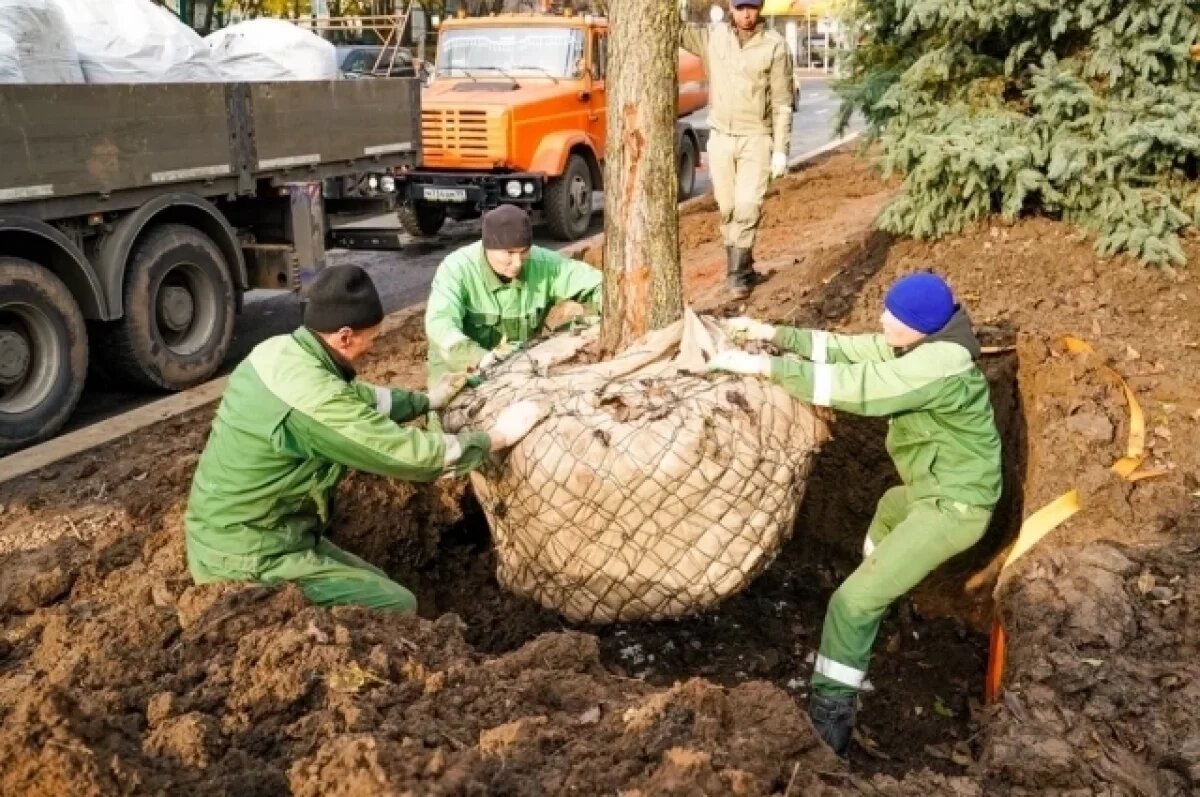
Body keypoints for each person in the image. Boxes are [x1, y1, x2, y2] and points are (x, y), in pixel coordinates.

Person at [708, 272, 1002, 754]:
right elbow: (853, 351)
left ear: (921, 325)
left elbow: (860, 386)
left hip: (955, 506)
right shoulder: (923, 345)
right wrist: (773, 336)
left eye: (894, 316)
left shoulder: (938, 365)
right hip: (930, 490)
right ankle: (879, 590)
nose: (883, 319)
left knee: (850, 604)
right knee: (888, 509)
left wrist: (765, 369)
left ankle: (831, 715)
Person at [184, 265, 546, 613]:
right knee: (397, 605)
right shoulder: (315, 404)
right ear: (344, 336)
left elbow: (359, 398)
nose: (372, 348)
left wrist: (426, 400)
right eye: (371, 339)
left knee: (376, 581)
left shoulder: (280, 352)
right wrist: (497, 436)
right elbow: (409, 457)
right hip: (247, 556)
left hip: (260, 531)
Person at [682, 0, 794, 299]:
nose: (747, 14)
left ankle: (736, 276)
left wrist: (781, 149)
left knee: (747, 207)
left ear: (761, 9)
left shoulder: (775, 45)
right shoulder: (713, 37)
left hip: (756, 137)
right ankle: (744, 267)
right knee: (728, 208)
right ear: (730, 8)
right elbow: (675, 31)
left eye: (753, 8)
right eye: (741, 7)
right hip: (721, 136)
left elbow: (782, 102)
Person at [424, 204, 602, 381]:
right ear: (488, 247)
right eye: (509, 253)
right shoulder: (457, 269)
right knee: (450, 405)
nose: (517, 263)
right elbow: (440, 324)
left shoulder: (543, 263)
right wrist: (479, 359)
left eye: (523, 252)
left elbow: (598, 284)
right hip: (457, 365)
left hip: (513, 362)